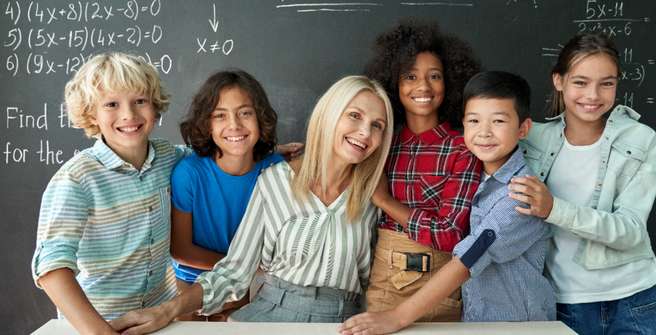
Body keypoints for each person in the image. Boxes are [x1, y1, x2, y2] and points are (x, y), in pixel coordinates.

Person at [111, 75, 394, 334]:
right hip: (273, 313)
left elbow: (381, 277)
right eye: (354, 116)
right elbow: (234, 270)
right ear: (329, 116)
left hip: (349, 321)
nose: (365, 132)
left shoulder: (375, 194)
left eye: (377, 125)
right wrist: (167, 310)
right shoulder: (274, 179)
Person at [338, 71, 554, 335]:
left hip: (517, 325)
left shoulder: (522, 193)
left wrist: (397, 317)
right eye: (474, 121)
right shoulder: (481, 177)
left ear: (523, 129)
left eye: (498, 121)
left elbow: (470, 257)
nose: (484, 132)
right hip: (476, 319)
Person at [508, 33, 656, 334]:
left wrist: (554, 209)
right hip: (565, 303)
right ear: (559, 81)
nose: (593, 95)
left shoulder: (640, 140)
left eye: (606, 83)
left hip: (634, 301)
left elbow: (631, 231)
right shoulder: (532, 139)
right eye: (580, 82)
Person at [30, 52, 185, 335]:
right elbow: (51, 268)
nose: (129, 114)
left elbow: (218, 159)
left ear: (155, 106)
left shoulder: (168, 156)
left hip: (159, 318)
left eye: (140, 101)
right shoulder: (76, 179)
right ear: (92, 114)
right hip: (98, 324)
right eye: (111, 104)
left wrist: (266, 156)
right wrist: (101, 332)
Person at [363, 19, 482, 321]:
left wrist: (387, 202)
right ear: (394, 83)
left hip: (440, 283)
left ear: (450, 82)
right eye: (410, 76)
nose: (423, 87)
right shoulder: (380, 140)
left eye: (435, 76)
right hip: (383, 280)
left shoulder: (462, 147)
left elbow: (450, 234)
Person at [170, 69, 302, 321]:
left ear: (260, 118)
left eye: (245, 113)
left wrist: (248, 272)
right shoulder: (189, 173)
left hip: (252, 288)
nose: (234, 125)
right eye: (220, 115)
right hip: (190, 287)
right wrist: (242, 265)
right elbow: (181, 250)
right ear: (206, 124)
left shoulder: (276, 169)